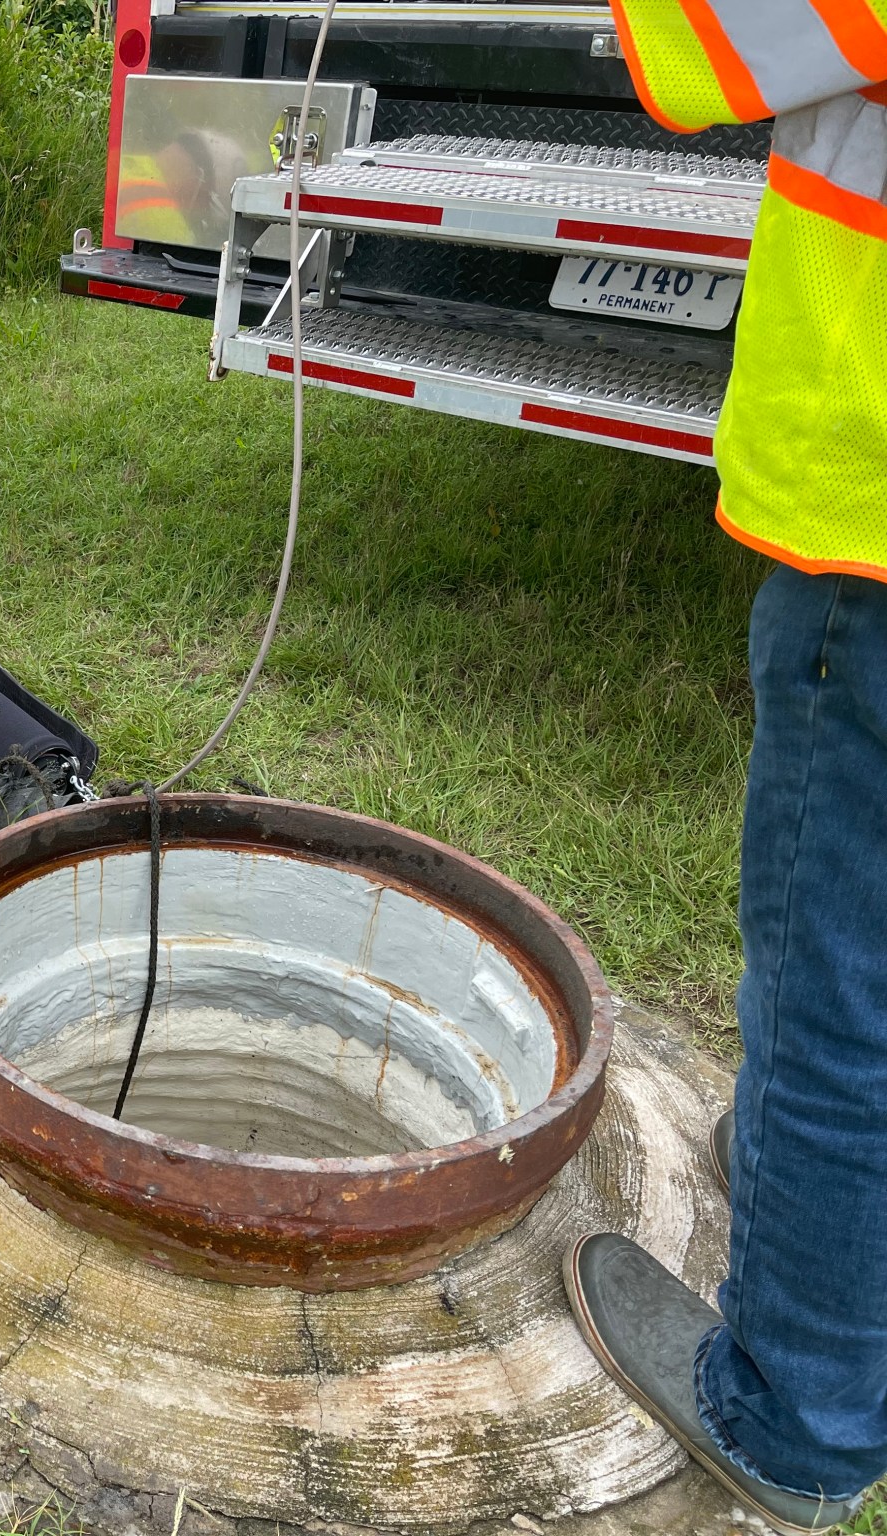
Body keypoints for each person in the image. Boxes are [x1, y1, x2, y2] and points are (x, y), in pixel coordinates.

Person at [561, 6, 887, 1533]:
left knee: (839, 985)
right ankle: (821, 1210)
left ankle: (802, 1415)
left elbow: (688, 53)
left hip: (873, 520)